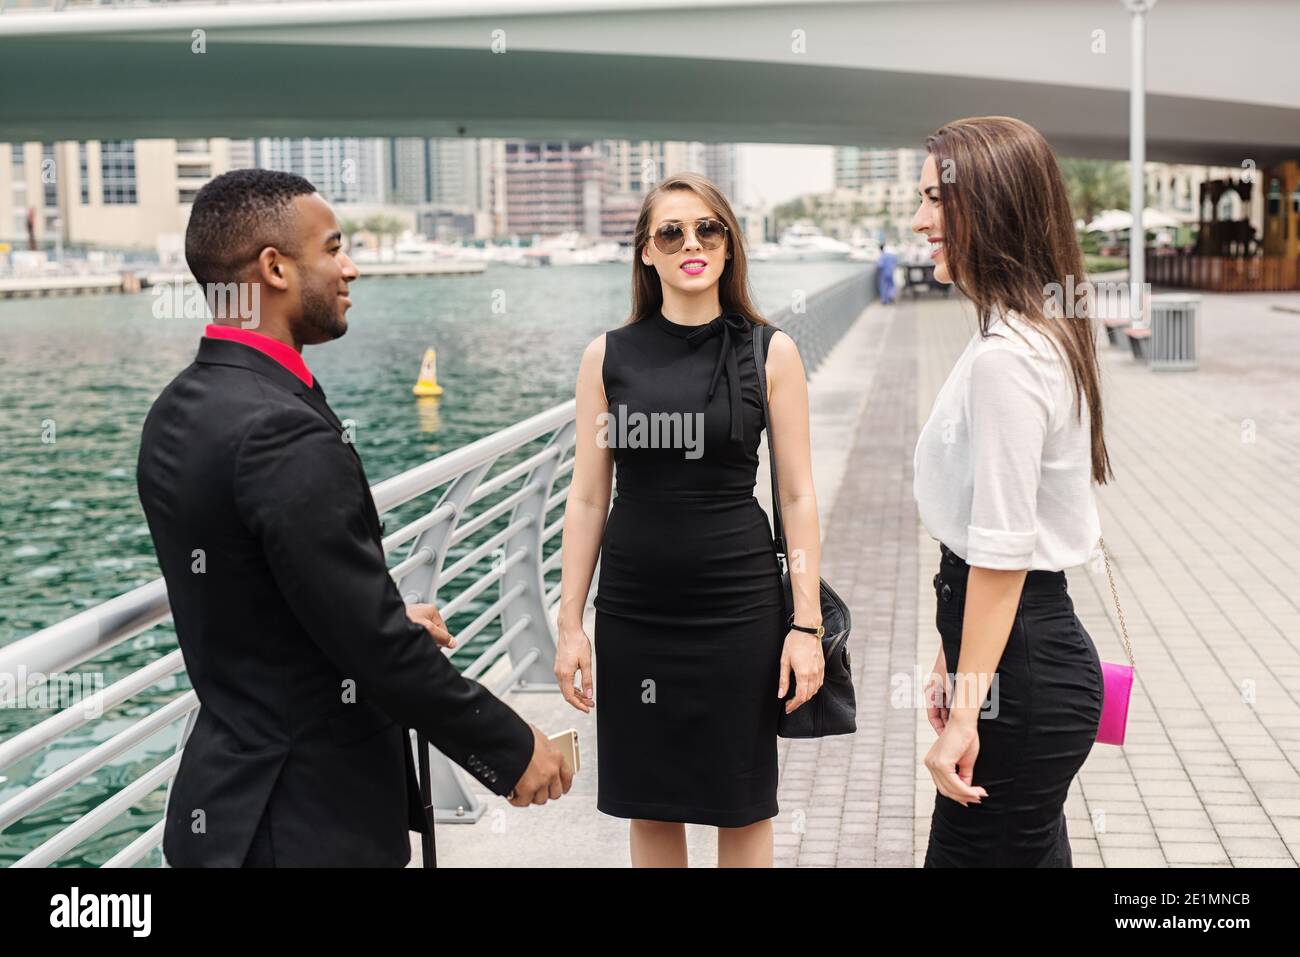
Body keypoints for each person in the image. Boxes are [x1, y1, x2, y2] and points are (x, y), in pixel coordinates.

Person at [137, 169, 570, 867]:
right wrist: (511, 747)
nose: (352, 267)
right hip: (308, 822)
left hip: (224, 806)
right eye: (333, 248)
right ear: (274, 268)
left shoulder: (176, 411)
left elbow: (263, 595)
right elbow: (369, 646)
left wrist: (388, 617)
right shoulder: (282, 430)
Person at [553, 172, 824, 868]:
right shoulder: (607, 356)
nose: (691, 244)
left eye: (708, 229)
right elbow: (587, 497)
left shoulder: (772, 352)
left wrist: (806, 624)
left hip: (739, 609)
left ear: (730, 246)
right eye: (671, 232)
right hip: (636, 611)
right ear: (646, 252)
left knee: (742, 803)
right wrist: (569, 625)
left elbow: (796, 496)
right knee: (650, 802)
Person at [911, 116, 1110, 867]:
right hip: (1023, 663)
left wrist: (966, 712)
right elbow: (983, 539)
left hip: (1023, 678)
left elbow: (1001, 550)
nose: (920, 219)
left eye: (935, 199)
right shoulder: (1031, 330)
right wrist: (949, 655)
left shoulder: (1009, 357)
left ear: (987, 204)